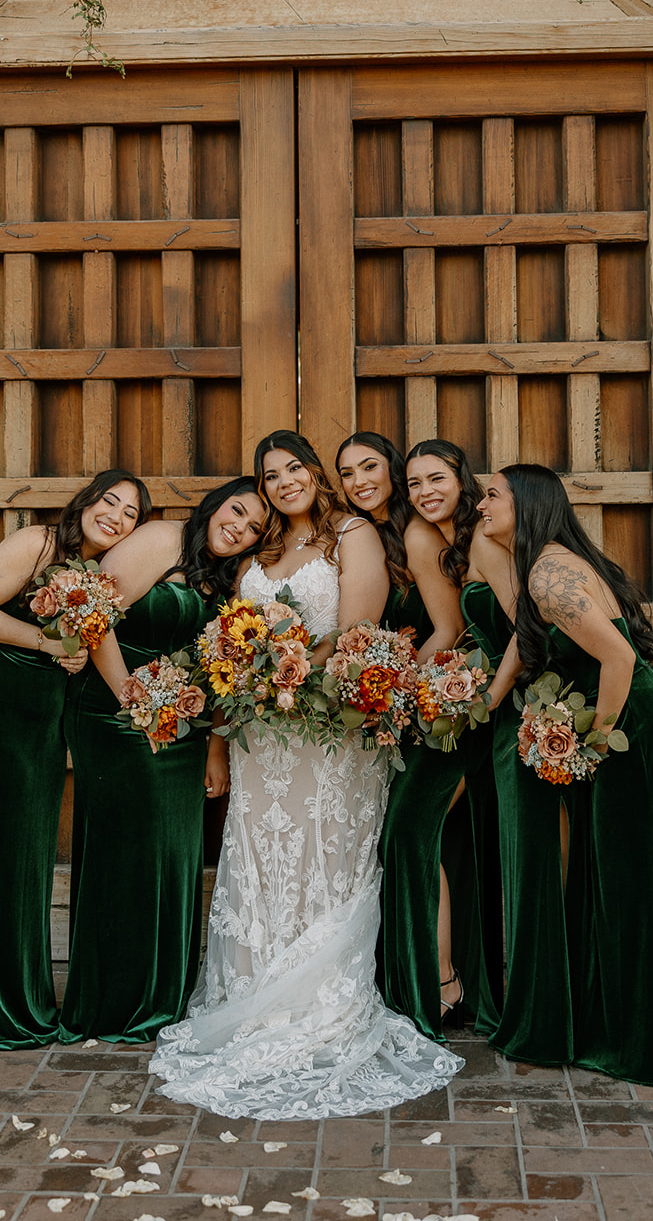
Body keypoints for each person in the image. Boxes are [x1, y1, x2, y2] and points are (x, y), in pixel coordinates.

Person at [150, 429, 463, 1118]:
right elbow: (232, 635)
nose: (285, 480)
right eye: (270, 474)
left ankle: (321, 1002)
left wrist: (283, 665)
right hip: (262, 732)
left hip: (331, 732)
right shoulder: (260, 551)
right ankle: (255, 998)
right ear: (261, 489)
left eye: (294, 466)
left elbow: (355, 633)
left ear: (316, 474)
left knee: (325, 856)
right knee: (263, 858)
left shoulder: (351, 533)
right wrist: (237, 703)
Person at [463, 463, 653, 1085]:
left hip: (635, 726)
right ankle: (638, 1024)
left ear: (528, 504)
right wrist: (487, 701)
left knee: (627, 875)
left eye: (492, 496)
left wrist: (594, 744)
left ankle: (633, 1041)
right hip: (625, 720)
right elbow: (529, 640)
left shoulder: (549, 572)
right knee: (614, 870)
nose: (480, 506)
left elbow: (620, 656)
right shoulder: (540, 563)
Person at [0, 469, 149, 1049]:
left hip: (41, 728)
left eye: (130, 513)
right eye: (107, 501)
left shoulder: (101, 577)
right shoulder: (38, 544)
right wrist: (45, 642)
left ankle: (15, 995)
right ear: (86, 502)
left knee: (23, 860)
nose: (114, 515)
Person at [59, 477, 265, 1043]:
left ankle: (162, 997)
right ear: (216, 503)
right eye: (237, 511)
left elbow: (228, 666)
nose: (239, 529)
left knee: (173, 854)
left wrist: (215, 742)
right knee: (128, 849)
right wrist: (133, 698)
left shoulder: (232, 578)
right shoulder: (161, 538)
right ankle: (114, 1000)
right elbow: (93, 616)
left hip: (183, 722)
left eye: (253, 529)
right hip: (112, 707)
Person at [336, 432, 508, 1041]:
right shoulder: (376, 536)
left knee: (412, 834)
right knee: (420, 839)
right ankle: (431, 977)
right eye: (347, 473)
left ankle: (439, 982)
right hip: (423, 706)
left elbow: (450, 628)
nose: (359, 481)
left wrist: (393, 692)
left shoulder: (413, 534)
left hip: (446, 708)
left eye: (371, 468)